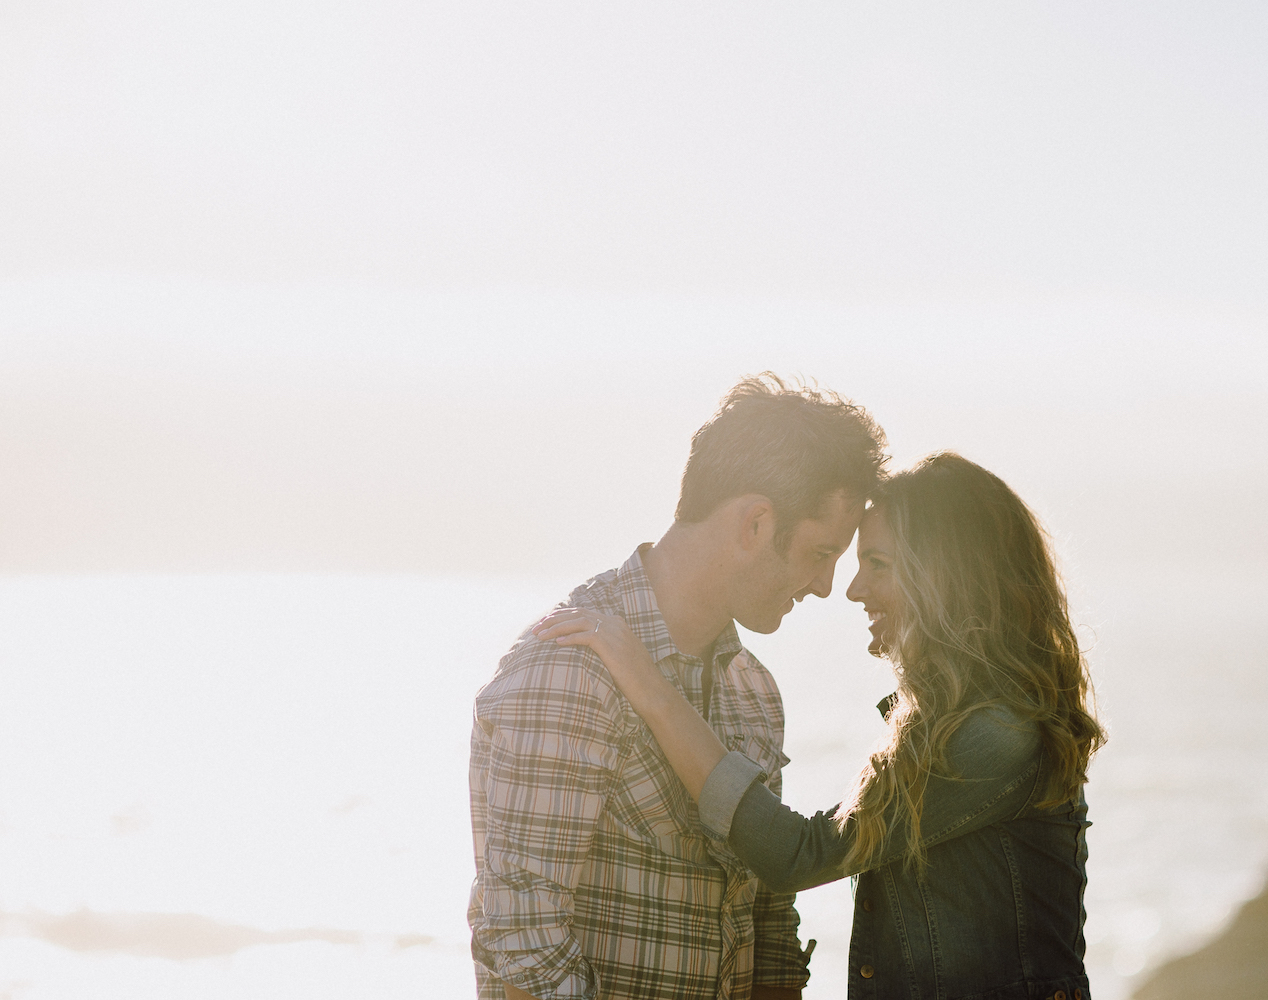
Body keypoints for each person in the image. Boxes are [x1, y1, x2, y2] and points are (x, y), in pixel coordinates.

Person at [535, 452, 1105, 998]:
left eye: (877, 564)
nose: (851, 590)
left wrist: (653, 688)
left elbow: (796, 854)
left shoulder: (996, 736)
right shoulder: (955, 720)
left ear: (946, 578)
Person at [468, 374, 889, 1000]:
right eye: (821, 552)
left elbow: (769, 926)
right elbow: (522, 941)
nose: (827, 585)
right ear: (755, 524)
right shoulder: (568, 669)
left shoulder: (754, 692)